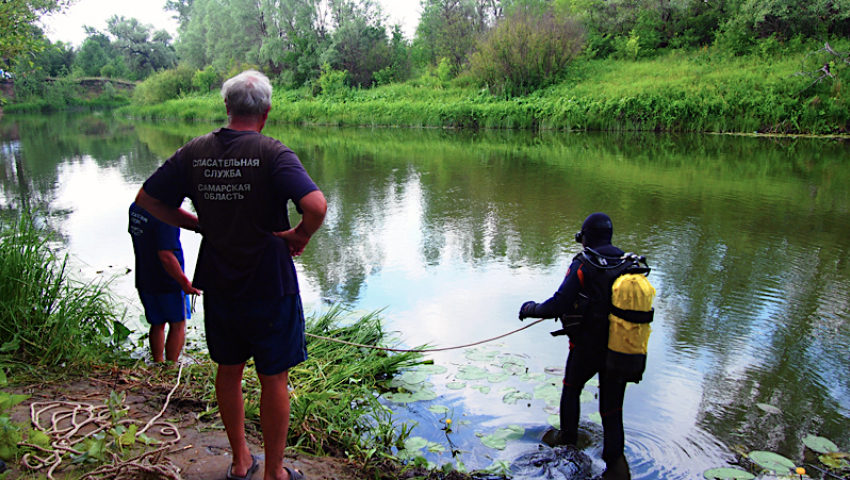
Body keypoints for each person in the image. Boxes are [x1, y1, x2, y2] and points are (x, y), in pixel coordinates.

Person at [135, 70, 326, 480]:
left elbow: (147, 199)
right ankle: (275, 473)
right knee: (274, 377)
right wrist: (301, 234)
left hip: (219, 282)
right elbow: (316, 205)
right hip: (270, 284)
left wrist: (197, 224)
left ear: (227, 107)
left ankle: (240, 463)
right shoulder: (273, 152)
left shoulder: (194, 151)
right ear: (267, 111)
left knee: (229, 369)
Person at [518, 212, 631, 479]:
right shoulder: (628, 264)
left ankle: (567, 444)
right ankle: (616, 466)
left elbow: (558, 304)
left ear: (587, 237)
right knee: (612, 410)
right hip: (621, 350)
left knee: (571, 390)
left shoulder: (584, 264)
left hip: (587, 348)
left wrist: (531, 308)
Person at [128, 202, 200, 363]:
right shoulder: (166, 217)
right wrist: (184, 283)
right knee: (178, 324)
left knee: (157, 323)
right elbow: (166, 256)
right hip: (169, 280)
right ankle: (171, 366)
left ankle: (158, 362)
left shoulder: (137, 208)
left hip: (145, 277)